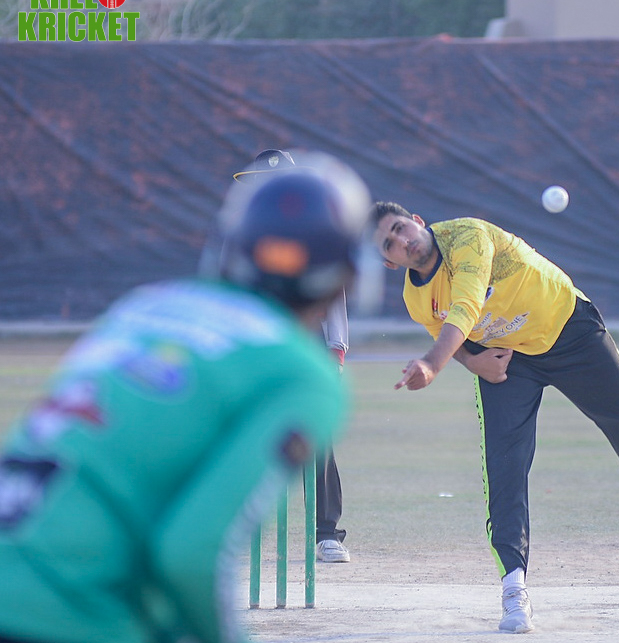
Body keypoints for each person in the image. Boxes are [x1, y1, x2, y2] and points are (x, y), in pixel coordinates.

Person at [0, 153, 371, 643]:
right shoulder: (301, 374)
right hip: (73, 611)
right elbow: (191, 553)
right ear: (348, 275)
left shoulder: (145, 306)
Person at [369, 202, 619, 634]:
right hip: (508, 359)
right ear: (390, 262)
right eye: (390, 244)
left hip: (566, 327)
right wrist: (472, 363)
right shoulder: (415, 297)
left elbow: (465, 306)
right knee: (503, 466)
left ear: (417, 221)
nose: (402, 241)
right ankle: (513, 588)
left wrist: (431, 364)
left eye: (400, 228)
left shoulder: (466, 236)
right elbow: (445, 330)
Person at [234, 149, 351, 563]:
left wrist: (336, 348)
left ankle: (326, 533)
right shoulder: (239, 233)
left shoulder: (315, 230)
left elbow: (333, 293)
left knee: (314, 435)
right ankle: (231, 529)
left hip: (306, 341)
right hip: (254, 343)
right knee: (241, 433)